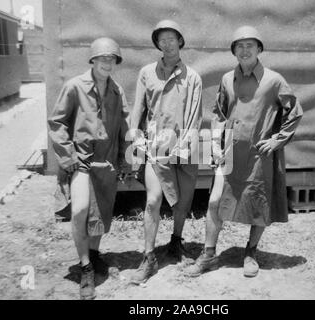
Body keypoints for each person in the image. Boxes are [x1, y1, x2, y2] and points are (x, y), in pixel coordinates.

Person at [185, 26, 303, 278]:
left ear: (259, 49)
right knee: (215, 202)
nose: (245, 49)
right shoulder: (228, 79)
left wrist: (277, 141)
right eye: (240, 45)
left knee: (258, 203)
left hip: (259, 156)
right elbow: (219, 113)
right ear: (234, 51)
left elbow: (294, 112)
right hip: (228, 155)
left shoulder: (274, 80)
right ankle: (208, 254)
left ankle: (251, 252)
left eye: (250, 45)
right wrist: (216, 145)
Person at [48, 37, 131, 299]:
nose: (107, 62)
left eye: (112, 59)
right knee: (81, 210)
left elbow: (124, 128)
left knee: (101, 215)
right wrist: (68, 155)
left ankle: (94, 256)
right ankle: (85, 268)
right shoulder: (75, 86)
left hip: (106, 163)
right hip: (82, 160)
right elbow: (57, 122)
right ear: (93, 60)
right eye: (102, 58)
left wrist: (125, 161)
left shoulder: (117, 91)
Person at [130, 20, 203, 284]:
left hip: (184, 148)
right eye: (162, 39)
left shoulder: (192, 77)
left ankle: (176, 242)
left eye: (172, 38)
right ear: (157, 44)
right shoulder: (147, 72)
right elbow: (137, 109)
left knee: (183, 202)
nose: (167, 43)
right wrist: (136, 137)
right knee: (153, 200)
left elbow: (195, 116)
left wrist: (185, 145)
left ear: (180, 42)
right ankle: (148, 256)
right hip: (155, 148)